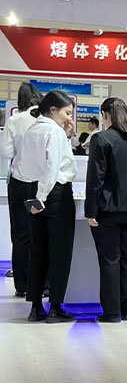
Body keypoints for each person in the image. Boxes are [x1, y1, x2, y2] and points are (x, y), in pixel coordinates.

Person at [85, 97, 127, 322]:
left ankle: (112, 312)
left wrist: (90, 211)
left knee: (110, 260)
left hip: (109, 210)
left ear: (105, 114)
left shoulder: (101, 139)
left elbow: (95, 179)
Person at [19, 90, 78, 323]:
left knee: (38, 250)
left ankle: (35, 307)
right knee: (60, 251)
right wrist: (43, 196)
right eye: (67, 112)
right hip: (54, 193)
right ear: (53, 110)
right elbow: (53, 168)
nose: (69, 118)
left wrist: (36, 196)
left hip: (33, 190)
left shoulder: (33, 129)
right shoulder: (53, 131)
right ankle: (55, 307)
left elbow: (26, 165)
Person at [3, 81, 42, 296]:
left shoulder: (15, 120)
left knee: (20, 234)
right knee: (41, 233)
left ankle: (22, 284)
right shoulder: (45, 119)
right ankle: (41, 283)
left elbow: (6, 152)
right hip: (41, 182)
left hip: (18, 180)